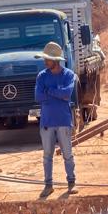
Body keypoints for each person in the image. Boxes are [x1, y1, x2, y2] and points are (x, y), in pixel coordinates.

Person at [34, 41, 77, 198]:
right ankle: (48, 185)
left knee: (67, 154)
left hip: (64, 121)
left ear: (56, 60)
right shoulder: (41, 76)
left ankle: (71, 182)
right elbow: (38, 96)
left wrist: (50, 91)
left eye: (48, 59)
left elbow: (67, 94)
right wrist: (57, 93)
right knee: (47, 156)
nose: (45, 62)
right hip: (47, 122)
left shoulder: (68, 75)